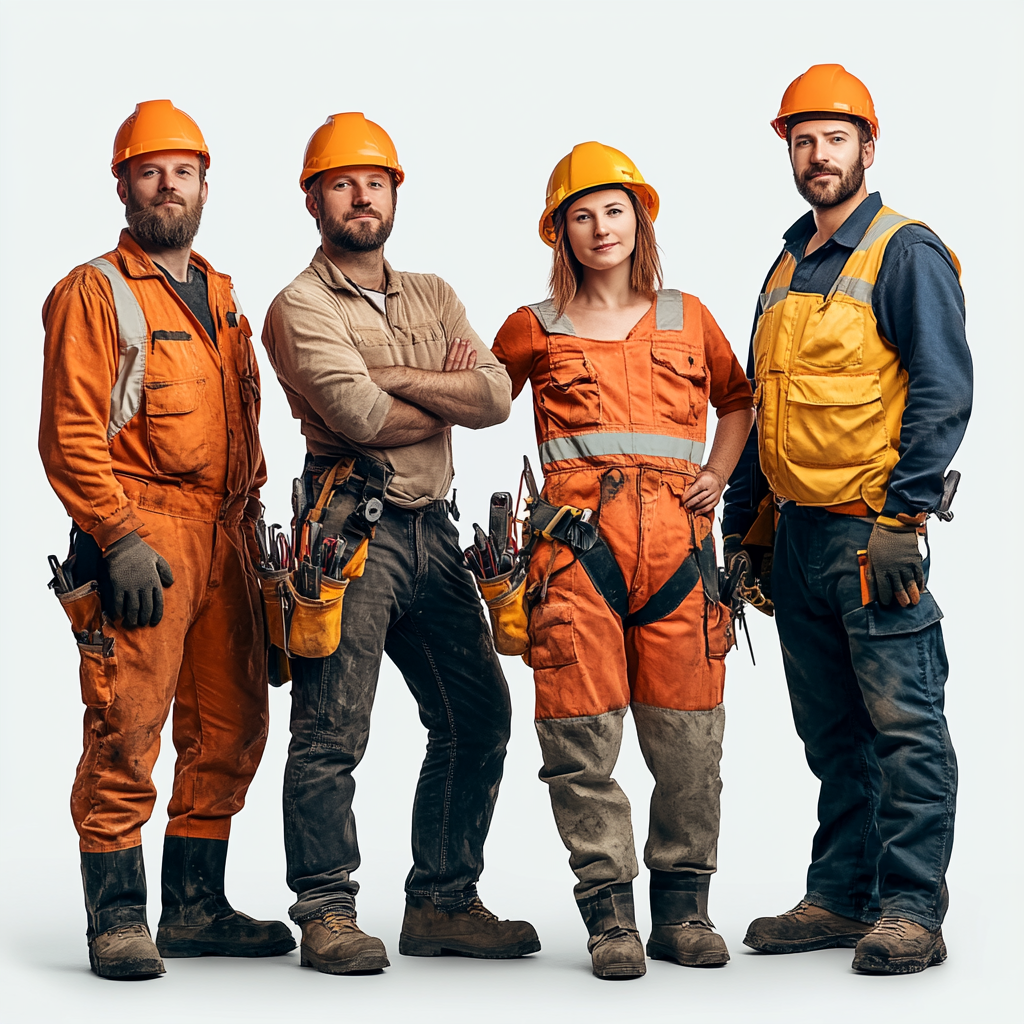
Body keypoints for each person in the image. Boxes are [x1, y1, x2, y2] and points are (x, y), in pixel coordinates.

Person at [261, 112, 539, 976]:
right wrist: (440, 389)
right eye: (342, 183)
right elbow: (360, 417)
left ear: (394, 192)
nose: (360, 197)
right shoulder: (297, 306)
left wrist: (401, 375)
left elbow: (497, 397)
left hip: (437, 535)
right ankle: (326, 912)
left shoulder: (432, 291)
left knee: (479, 712)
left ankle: (443, 903)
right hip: (351, 537)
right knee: (332, 728)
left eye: (374, 182)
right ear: (314, 199)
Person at [721, 65, 972, 975]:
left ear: (869, 146)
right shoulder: (785, 265)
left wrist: (906, 513)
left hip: (874, 534)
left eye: (834, 138)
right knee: (830, 731)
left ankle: (910, 908)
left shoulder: (904, 252)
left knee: (904, 726)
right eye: (802, 140)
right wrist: (746, 528)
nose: (817, 154)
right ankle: (839, 895)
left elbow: (944, 389)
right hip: (797, 539)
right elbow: (760, 405)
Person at [39, 100, 293, 980]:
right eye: (149, 170)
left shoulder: (222, 297)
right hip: (144, 531)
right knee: (127, 722)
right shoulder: (96, 291)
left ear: (204, 184)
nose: (167, 185)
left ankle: (196, 909)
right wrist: (115, 538)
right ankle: (116, 919)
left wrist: (258, 550)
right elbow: (71, 432)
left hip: (228, 535)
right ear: (122, 184)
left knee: (231, 724)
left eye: (182, 170)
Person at [492, 142, 754, 979]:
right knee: (579, 738)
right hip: (576, 561)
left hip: (681, 556)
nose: (600, 227)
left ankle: (683, 912)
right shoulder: (532, 328)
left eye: (614, 210)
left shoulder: (687, 316)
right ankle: (610, 919)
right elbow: (476, 400)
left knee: (689, 742)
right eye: (581, 215)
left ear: (639, 219)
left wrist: (716, 472)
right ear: (559, 233)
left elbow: (739, 400)